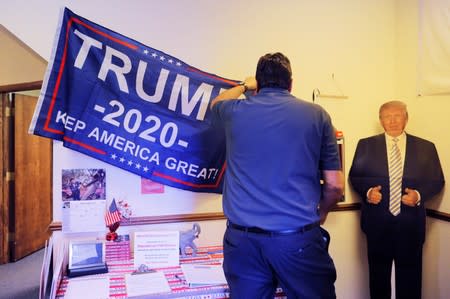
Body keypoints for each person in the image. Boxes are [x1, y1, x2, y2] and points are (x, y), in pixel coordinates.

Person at [210, 52, 344, 298]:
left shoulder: (234, 111)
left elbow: (216, 102)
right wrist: (322, 212)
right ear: (291, 83)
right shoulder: (317, 115)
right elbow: (335, 185)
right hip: (296, 239)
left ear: (258, 86)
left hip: (242, 242)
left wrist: (243, 86)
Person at [349, 100, 445, 299]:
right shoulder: (365, 145)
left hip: (410, 225)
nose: (392, 120)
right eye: (387, 116)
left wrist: (418, 195)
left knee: (410, 278)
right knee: (378, 277)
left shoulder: (426, 147)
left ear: (406, 118)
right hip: (377, 224)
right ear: (380, 120)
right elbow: (355, 177)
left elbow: (437, 181)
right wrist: (368, 193)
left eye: (397, 115)